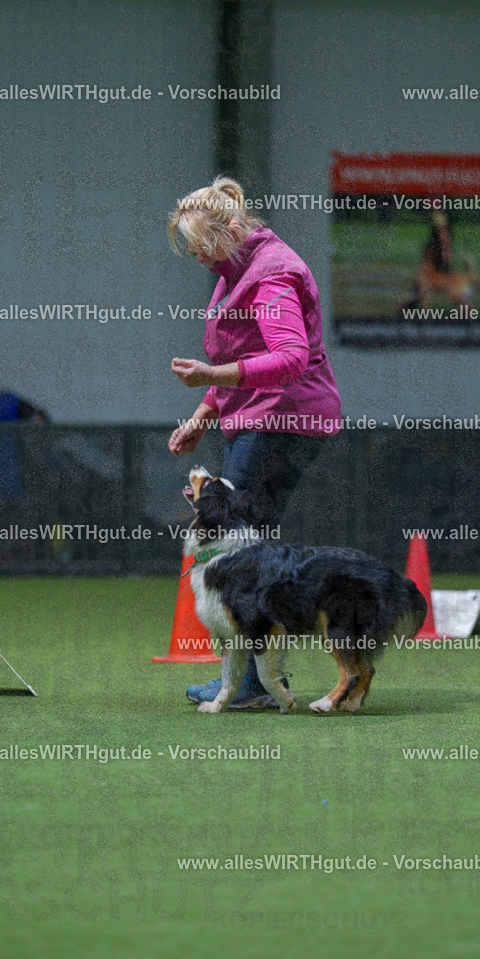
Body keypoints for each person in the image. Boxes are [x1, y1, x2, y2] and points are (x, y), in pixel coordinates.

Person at [167, 176, 342, 708]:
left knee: (239, 555)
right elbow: (245, 358)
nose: (199, 259)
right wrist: (203, 412)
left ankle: (251, 685)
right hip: (261, 419)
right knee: (249, 553)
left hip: (285, 421)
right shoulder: (236, 271)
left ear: (234, 230)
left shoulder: (272, 275)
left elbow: (287, 361)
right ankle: (253, 680)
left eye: (203, 246)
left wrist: (210, 377)